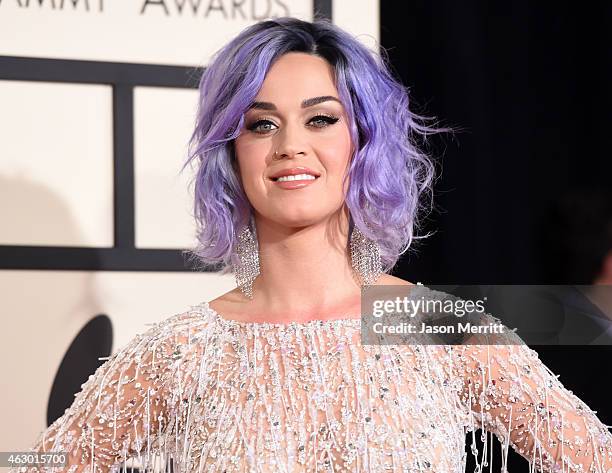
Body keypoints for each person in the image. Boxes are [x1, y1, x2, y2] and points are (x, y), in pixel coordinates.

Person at [11, 17, 612, 473]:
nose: (290, 146)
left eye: (321, 119)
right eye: (260, 124)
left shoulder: (436, 322)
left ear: (363, 142)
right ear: (230, 152)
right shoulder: (181, 349)